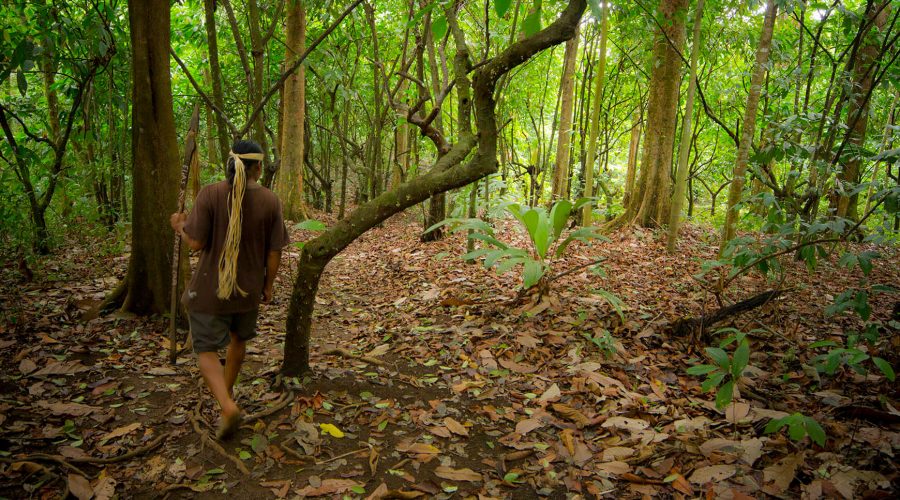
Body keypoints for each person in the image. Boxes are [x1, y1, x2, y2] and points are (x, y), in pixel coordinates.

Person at [170, 140, 290, 439]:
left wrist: (179, 226)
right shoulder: (270, 201)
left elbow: (196, 242)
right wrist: (268, 285)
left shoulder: (211, 194)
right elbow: (274, 252)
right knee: (238, 340)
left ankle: (226, 405)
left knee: (206, 350)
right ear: (258, 168)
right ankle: (228, 396)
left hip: (210, 291)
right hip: (247, 290)